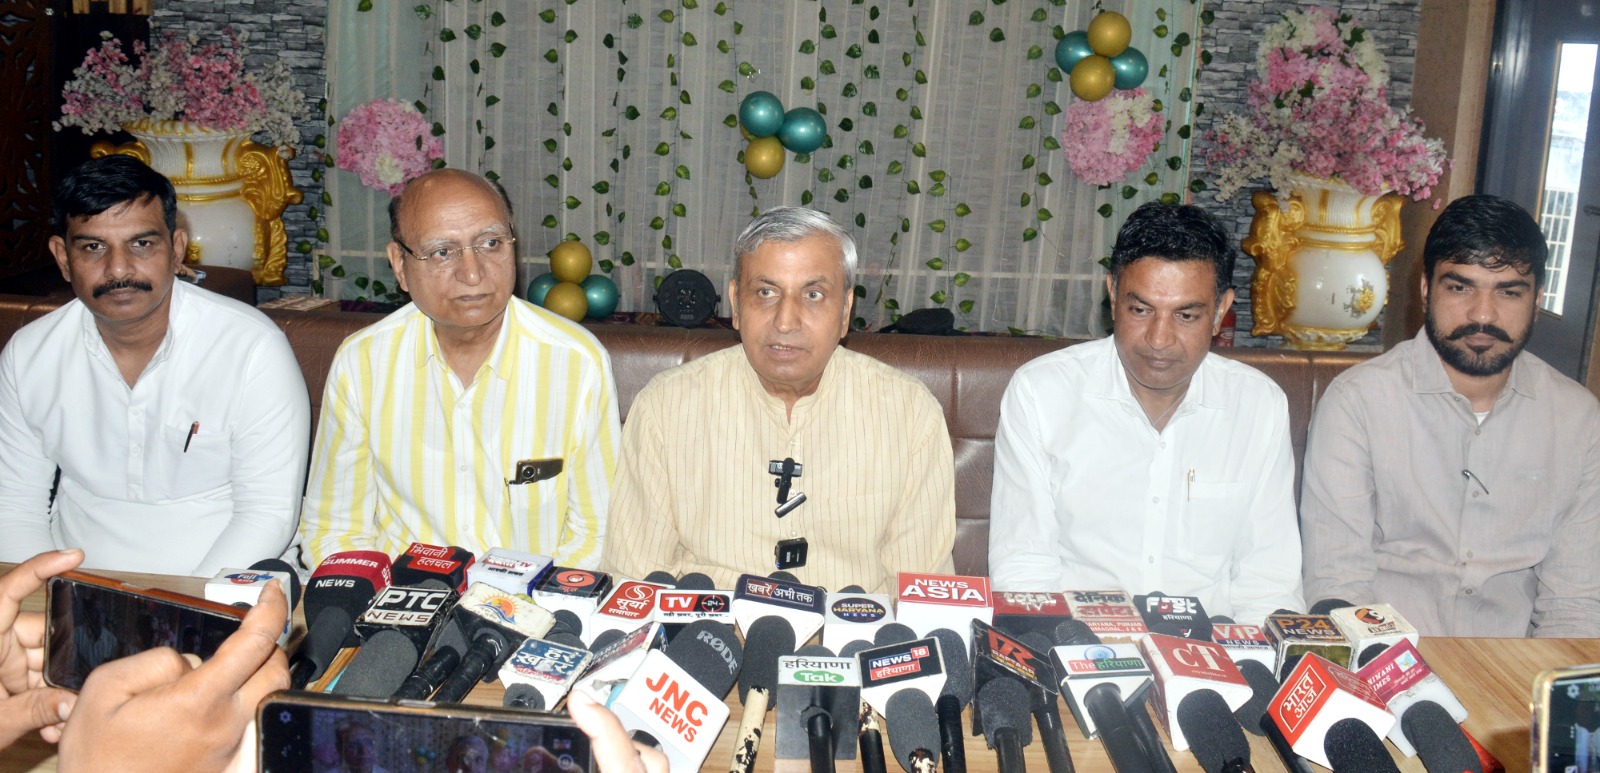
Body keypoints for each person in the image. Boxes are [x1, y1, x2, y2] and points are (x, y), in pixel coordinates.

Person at [602, 207, 955, 593]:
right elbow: (633, 582)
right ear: (736, 304)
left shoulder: (909, 414)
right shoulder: (665, 408)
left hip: (853, 625)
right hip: (706, 622)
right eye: (766, 293)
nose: (786, 321)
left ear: (845, 312)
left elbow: (922, 595)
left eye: (813, 295)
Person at [988, 201, 1303, 624]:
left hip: (1215, 649)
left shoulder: (1258, 405)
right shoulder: (1042, 393)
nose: (1159, 339)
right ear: (1112, 293)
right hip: (1077, 643)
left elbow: (1268, 581)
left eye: (1186, 315)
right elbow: (1024, 570)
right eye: (1140, 310)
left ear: (1220, 311)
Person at [1301, 194, 1600, 637]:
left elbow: (1575, 605)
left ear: (1537, 299)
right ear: (1426, 289)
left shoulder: (1578, 419)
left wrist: (1545, 681)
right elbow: (1337, 580)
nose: (1483, 314)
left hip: (1517, 667)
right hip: (1386, 658)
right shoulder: (1358, 401)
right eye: (1460, 287)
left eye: (1509, 291)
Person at [0, 155, 310, 576]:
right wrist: (49, 595)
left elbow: (267, 512)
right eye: (93, 247)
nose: (118, 269)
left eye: (141, 244)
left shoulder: (250, 347)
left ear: (177, 248)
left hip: (223, 586)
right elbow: (15, 505)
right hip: (74, 584)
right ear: (62, 257)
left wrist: (183, 605)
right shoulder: (30, 354)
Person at [299, 169, 620, 569]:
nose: (472, 273)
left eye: (490, 243)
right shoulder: (363, 362)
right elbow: (334, 528)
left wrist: (523, 599)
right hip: (398, 596)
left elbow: (598, 532)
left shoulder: (576, 361)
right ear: (399, 265)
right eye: (442, 252)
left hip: (534, 599)